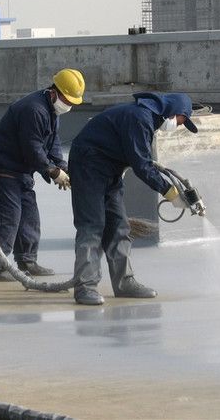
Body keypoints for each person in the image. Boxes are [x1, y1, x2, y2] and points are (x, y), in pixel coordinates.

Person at [69, 92, 197, 305]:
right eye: (181, 121)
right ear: (173, 113)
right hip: (88, 168)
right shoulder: (140, 118)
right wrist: (171, 193)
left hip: (109, 171)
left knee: (119, 227)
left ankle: (124, 283)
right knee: (92, 226)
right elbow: (142, 165)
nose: (179, 125)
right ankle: (85, 287)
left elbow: (138, 158)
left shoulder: (147, 119)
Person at [0, 69, 85, 281]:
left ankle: (27, 260)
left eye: (73, 101)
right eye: (67, 99)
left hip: (20, 171)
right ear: (54, 92)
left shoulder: (51, 111)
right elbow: (33, 148)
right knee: (6, 220)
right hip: (1, 169)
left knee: (29, 218)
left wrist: (63, 166)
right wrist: (52, 172)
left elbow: (52, 142)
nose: (69, 105)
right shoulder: (34, 109)